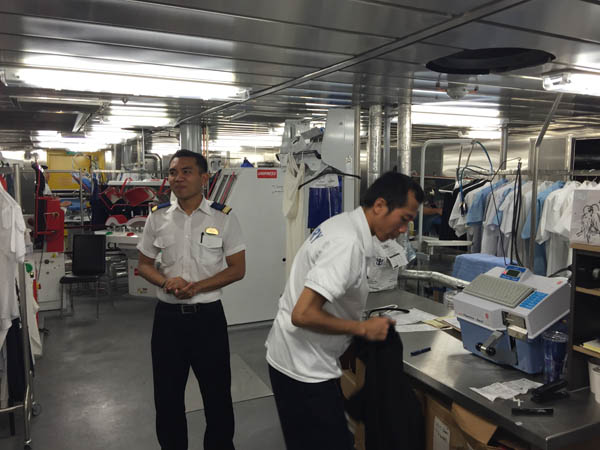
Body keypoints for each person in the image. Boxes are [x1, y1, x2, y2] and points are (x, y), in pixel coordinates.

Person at [265, 171, 424, 450]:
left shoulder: (343, 225)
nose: (403, 230)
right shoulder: (347, 243)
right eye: (404, 219)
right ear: (380, 206)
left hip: (291, 357)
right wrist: (361, 328)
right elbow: (302, 314)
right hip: (304, 369)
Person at [137, 149, 246, 450]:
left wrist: (197, 287)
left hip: (208, 319)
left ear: (204, 177)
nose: (178, 178)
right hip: (168, 321)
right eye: (173, 172)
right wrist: (166, 281)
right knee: (167, 397)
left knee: (217, 396)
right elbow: (144, 264)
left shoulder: (224, 218)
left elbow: (238, 269)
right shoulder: (157, 218)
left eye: (186, 171)